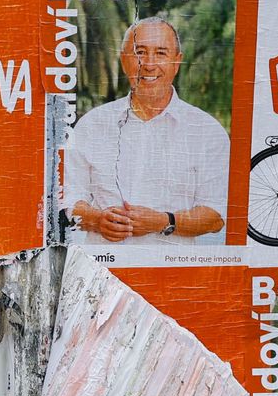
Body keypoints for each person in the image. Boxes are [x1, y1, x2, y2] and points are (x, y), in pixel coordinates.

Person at [63, 16, 229, 245]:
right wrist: (96, 219)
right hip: (103, 269)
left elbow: (216, 216)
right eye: (139, 52)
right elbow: (69, 200)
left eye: (161, 53)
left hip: (172, 271)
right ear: (123, 60)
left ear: (177, 61)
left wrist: (163, 221)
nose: (149, 64)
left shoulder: (207, 131)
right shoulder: (92, 125)